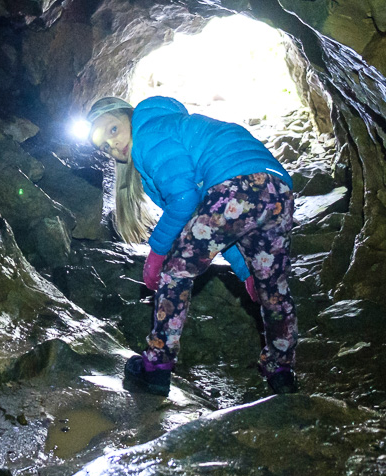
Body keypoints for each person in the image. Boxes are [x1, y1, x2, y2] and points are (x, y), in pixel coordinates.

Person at [86, 95, 299, 397]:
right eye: (104, 148)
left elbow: (185, 201)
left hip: (233, 186)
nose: (113, 146)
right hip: (277, 191)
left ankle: (156, 367)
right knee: (273, 291)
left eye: (112, 130)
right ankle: (281, 371)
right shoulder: (175, 128)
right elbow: (225, 223)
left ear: (129, 117)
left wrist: (157, 254)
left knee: (175, 273)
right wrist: (246, 271)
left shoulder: (149, 132)